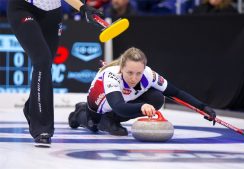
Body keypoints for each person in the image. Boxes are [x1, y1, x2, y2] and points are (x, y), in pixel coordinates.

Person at [6, 0, 105, 147]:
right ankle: (41, 129)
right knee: (42, 60)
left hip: (52, 13)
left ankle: (31, 108)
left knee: (45, 65)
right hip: (23, 8)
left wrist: (83, 8)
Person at [68, 47, 217, 136]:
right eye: (130, 73)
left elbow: (176, 93)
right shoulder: (112, 74)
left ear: (144, 69)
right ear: (122, 69)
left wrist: (203, 107)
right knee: (94, 126)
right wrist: (141, 106)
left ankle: (112, 120)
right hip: (99, 108)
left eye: (138, 73)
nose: (134, 78)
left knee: (157, 98)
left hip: (119, 106)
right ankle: (78, 113)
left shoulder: (148, 74)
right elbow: (118, 106)